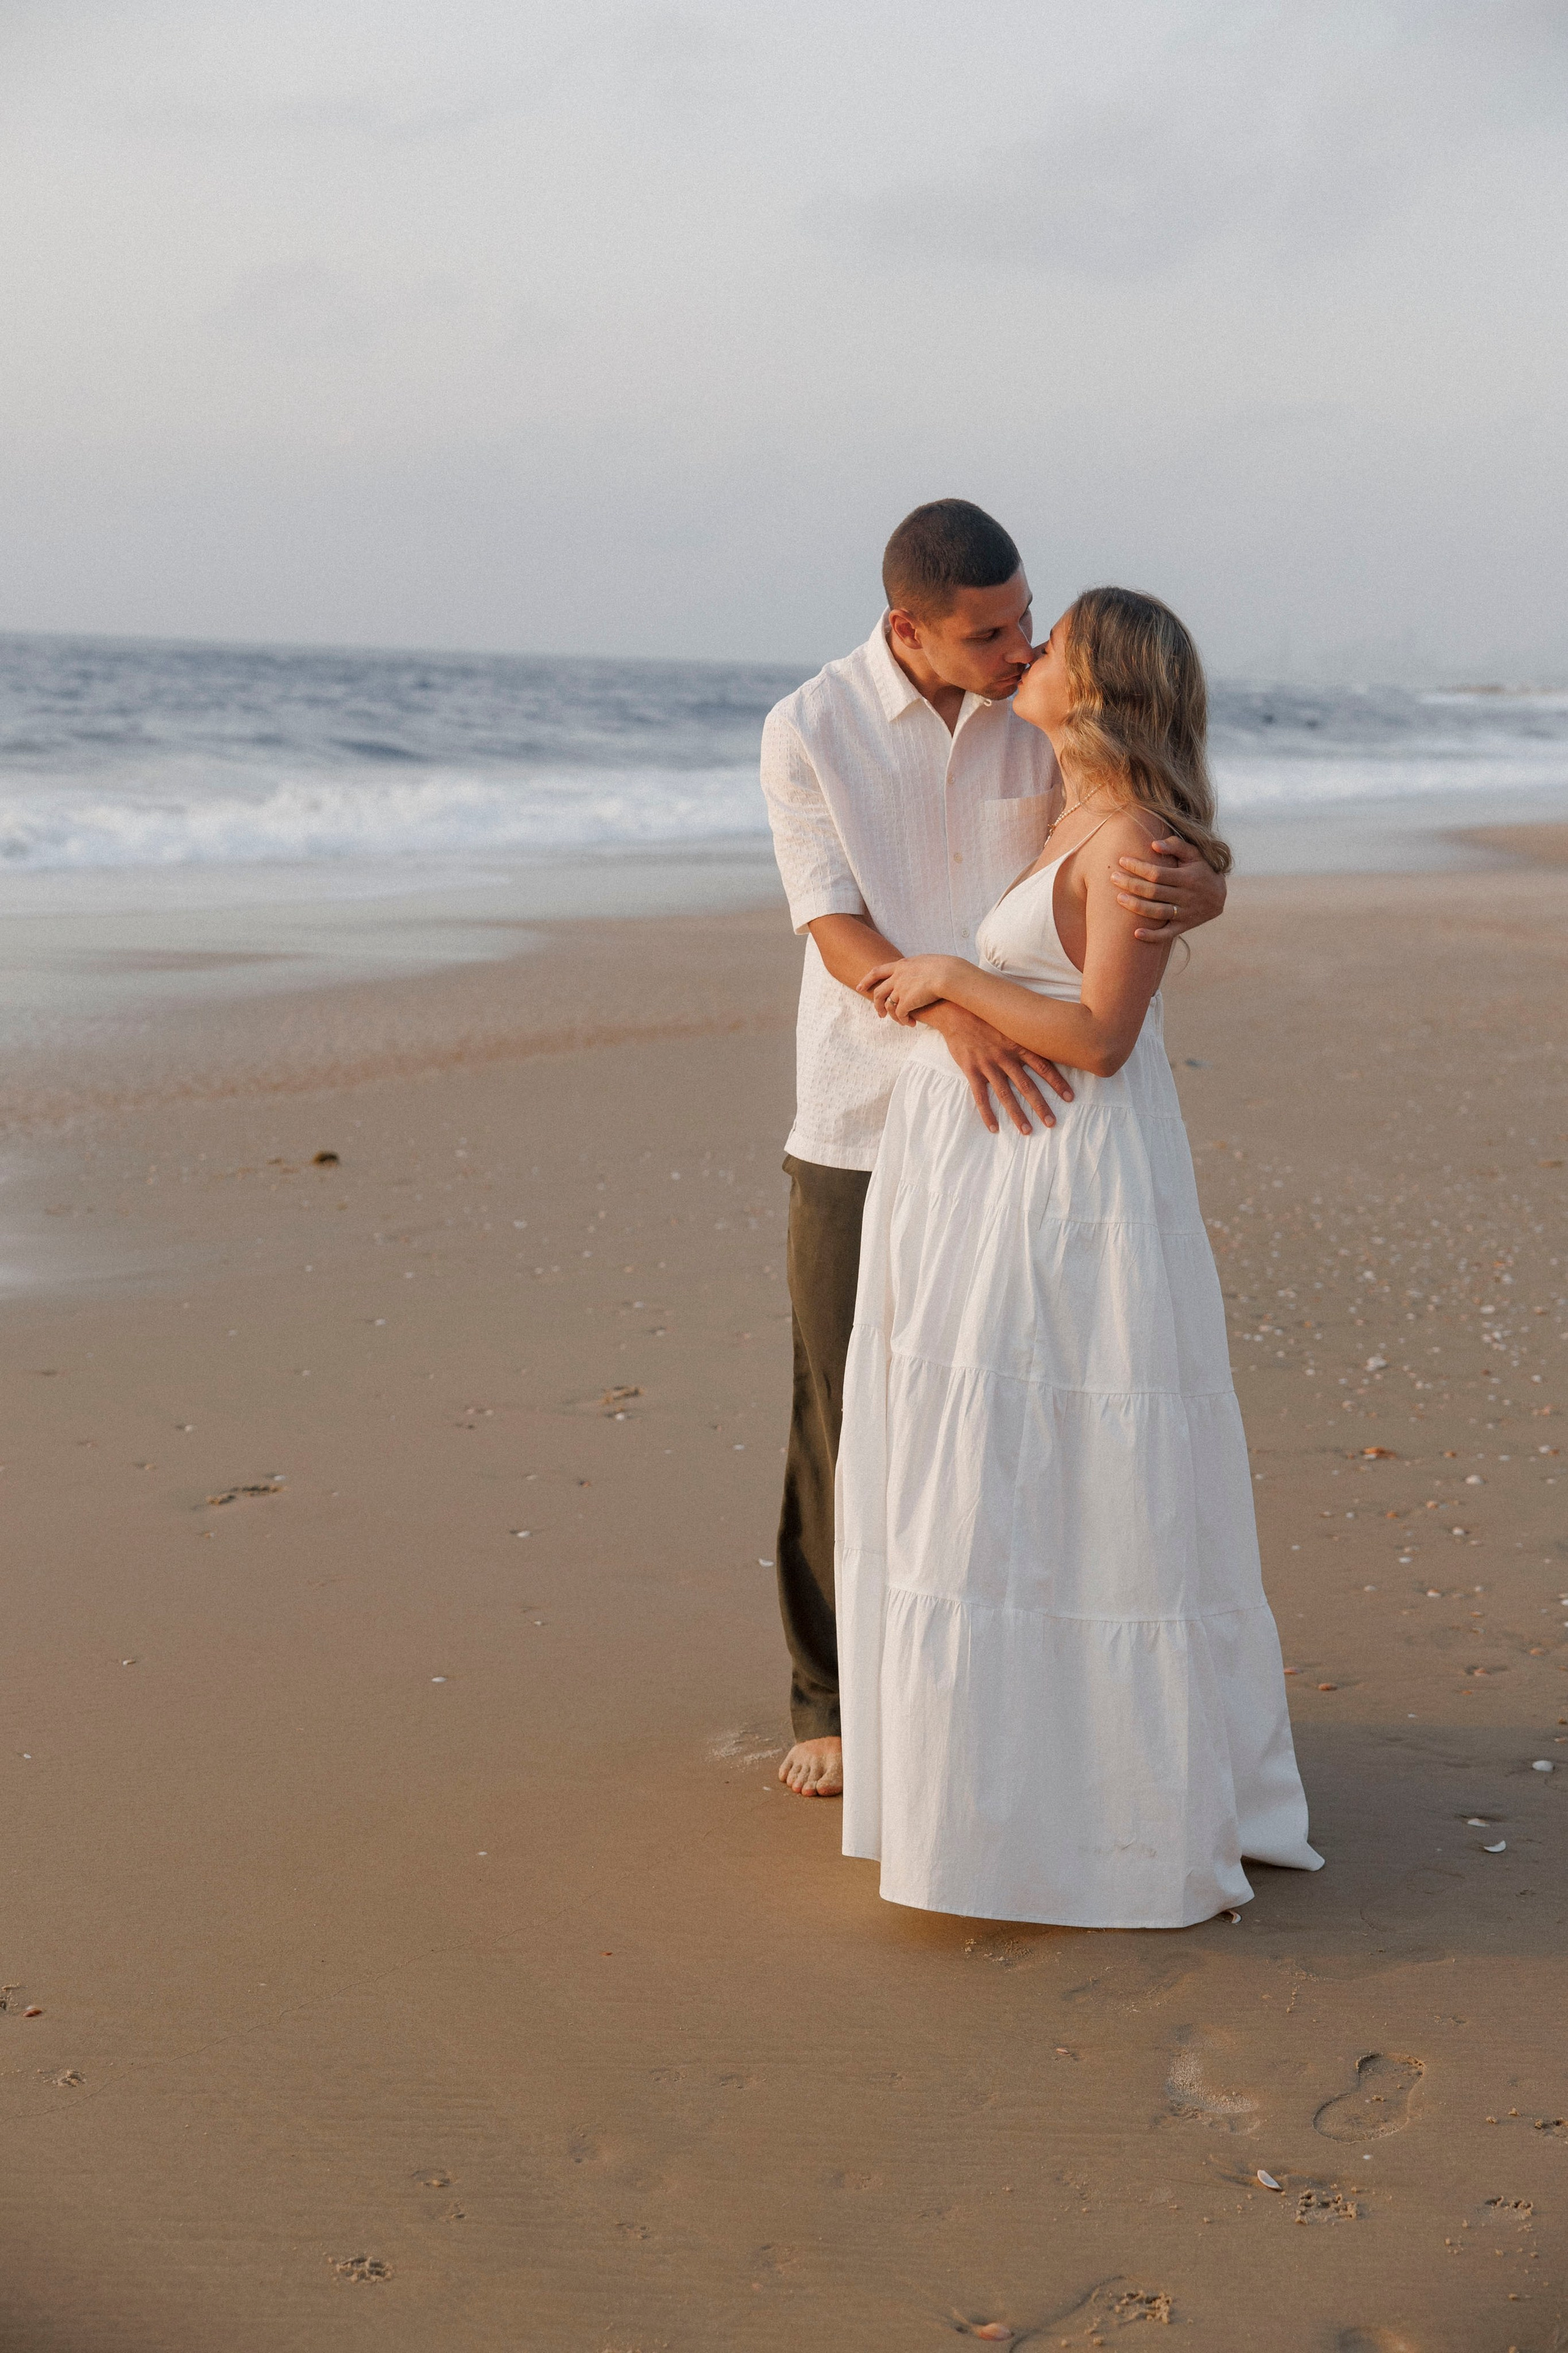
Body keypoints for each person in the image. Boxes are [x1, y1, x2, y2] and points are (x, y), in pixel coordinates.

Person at [836, 585, 1322, 1925]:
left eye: (1046, 645)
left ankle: (1072, 1804)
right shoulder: (1061, 799)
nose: (1024, 655)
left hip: (1065, 1176)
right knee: (1014, 1468)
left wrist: (946, 976)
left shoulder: (1127, 841)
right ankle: (1004, 1776)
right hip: (1018, 1176)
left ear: (1095, 688)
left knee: (1063, 1463)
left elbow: (1100, 1035)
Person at [760, 504, 1228, 1801]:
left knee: (983, 1413)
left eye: (1030, 622)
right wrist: (955, 1007)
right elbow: (834, 927)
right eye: (990, 631)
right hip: (863, 1109)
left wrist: (1204, 886)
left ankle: (982, 1696)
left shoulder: (1038, 714)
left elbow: (1131, 831)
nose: (1019, 649)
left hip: (1016, 1134)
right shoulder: (810, 728)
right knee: (842, 1404)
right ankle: (829, 1698)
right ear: (908, 627)